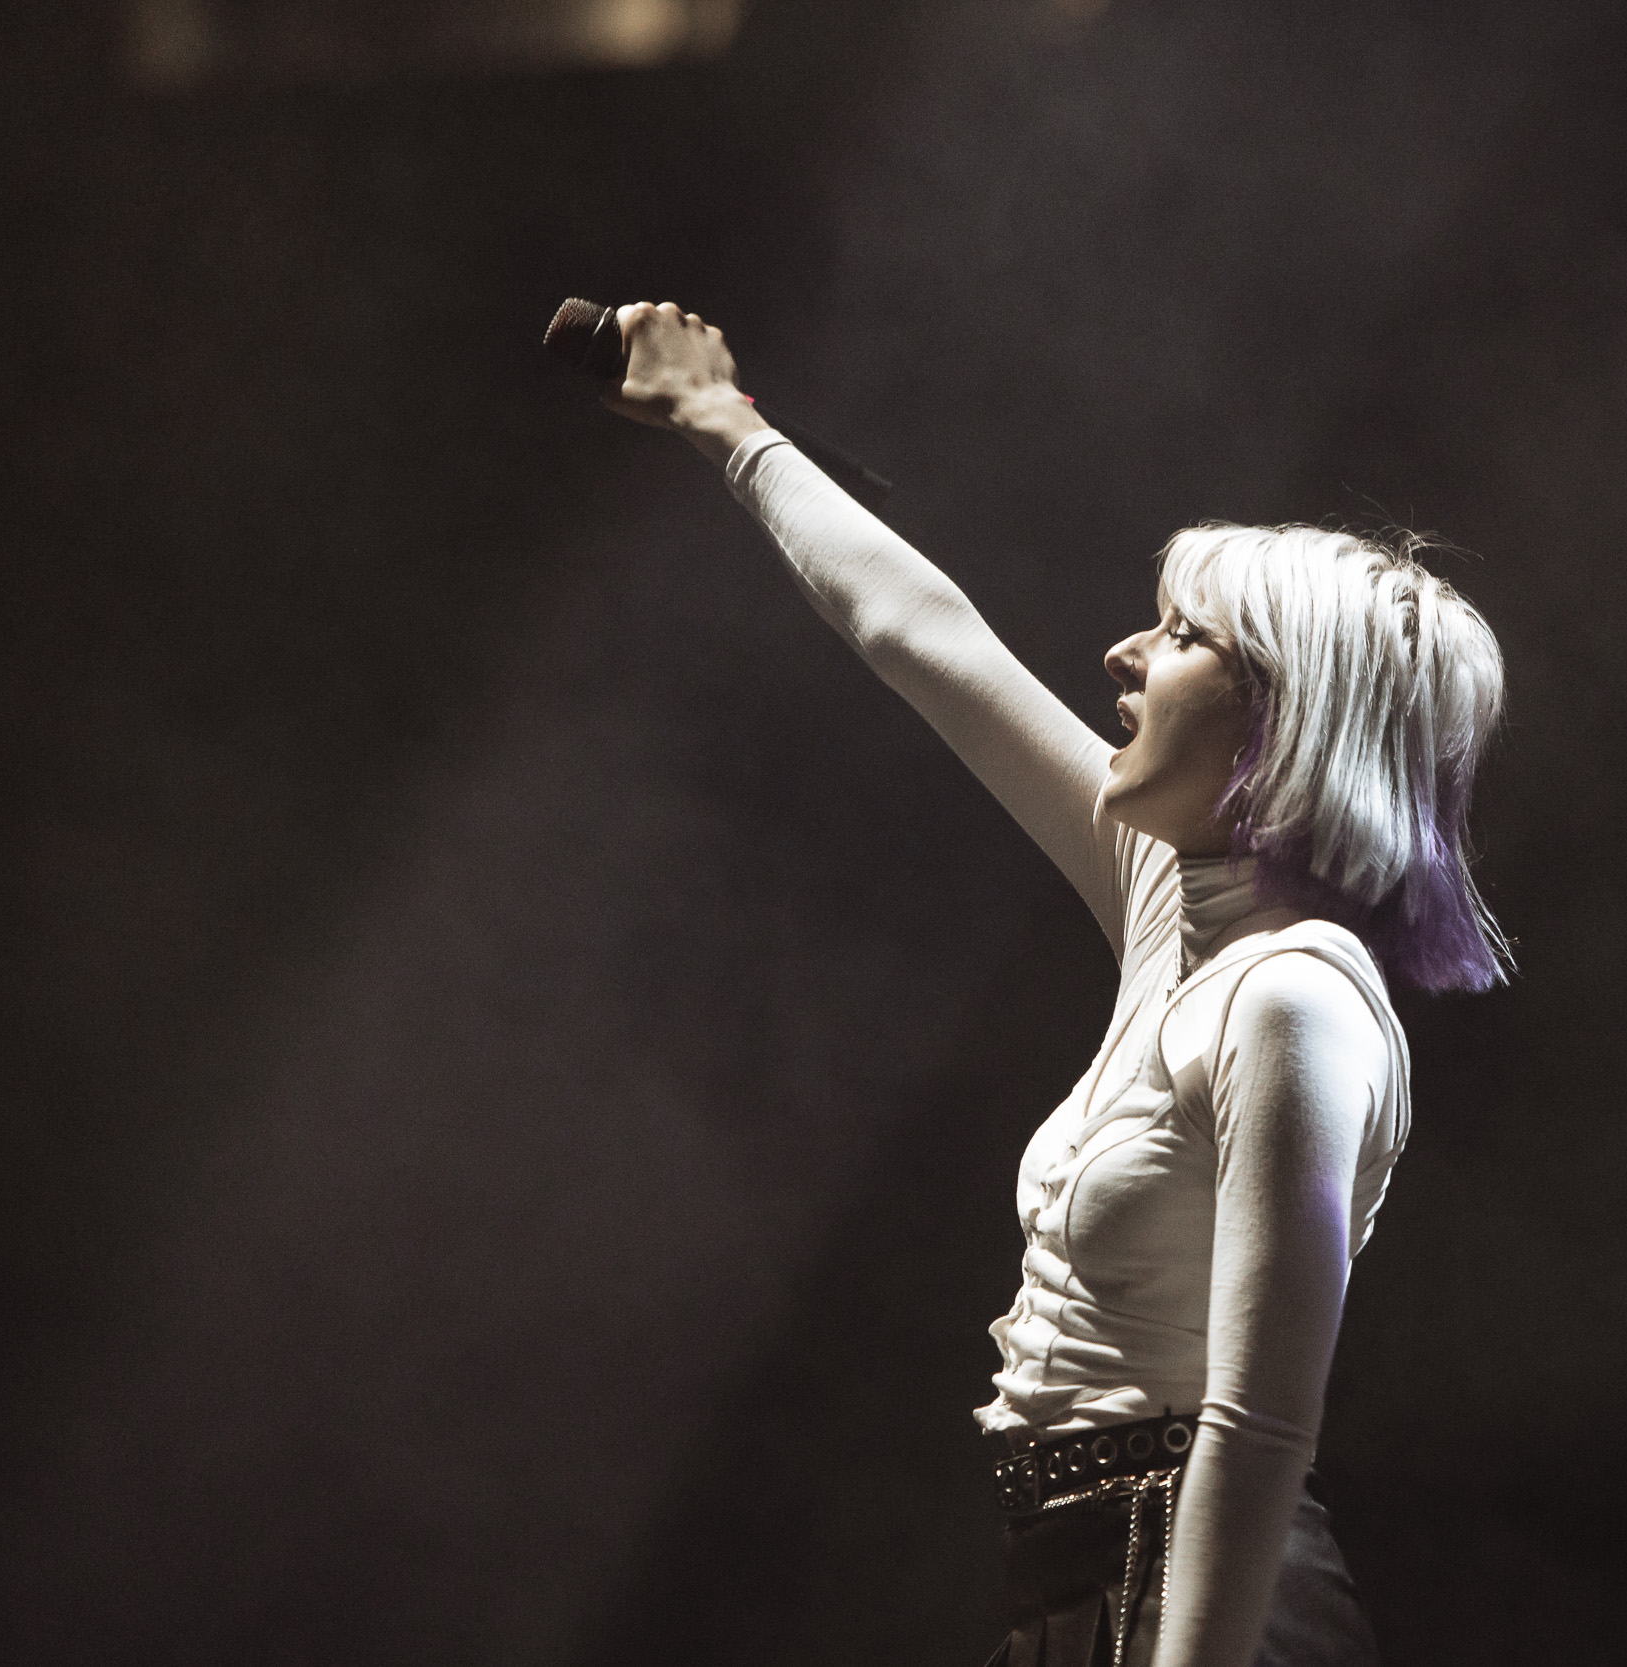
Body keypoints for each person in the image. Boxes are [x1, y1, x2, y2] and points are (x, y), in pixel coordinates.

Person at [602, 303, 1510, 1667]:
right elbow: (926, 638)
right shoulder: (1171, 897)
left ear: (1286, 713)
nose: (1123, 656)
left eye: (1181, 634)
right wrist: (723, 422)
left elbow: (1261, 1428)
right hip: (1086, 1587)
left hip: (1205, 1609)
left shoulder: (1296, 999)